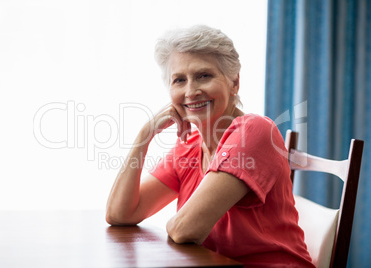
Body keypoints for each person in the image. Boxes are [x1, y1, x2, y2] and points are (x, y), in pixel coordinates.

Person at [106, 25, 314, 267]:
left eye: (204, 75)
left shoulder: (255, 132)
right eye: (179, 80)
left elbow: (184, 229)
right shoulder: (190, 146)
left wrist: (176, 225)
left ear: (234, 83)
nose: (191, 91)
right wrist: (145, 134)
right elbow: (121, 214)